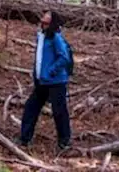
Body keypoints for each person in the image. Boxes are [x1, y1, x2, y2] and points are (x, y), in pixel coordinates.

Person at [16, 10, 72, 151]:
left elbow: (64, 58)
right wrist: (37, 74)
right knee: (31, 107)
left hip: (56, 82)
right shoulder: (41, 36)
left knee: (59, 111)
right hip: (42, 82)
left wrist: (50, 72)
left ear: (52, 22)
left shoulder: (56, 38)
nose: (43, 21)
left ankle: (64, 142)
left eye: (47, 18)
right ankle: (24, 138)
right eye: (43, 18)